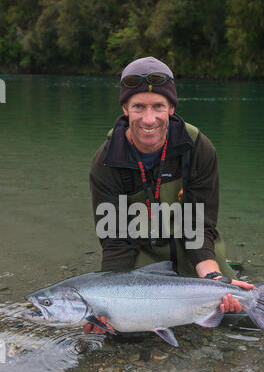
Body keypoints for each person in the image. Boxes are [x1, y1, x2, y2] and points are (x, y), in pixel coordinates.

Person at [84, 57, 253, 335]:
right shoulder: (105, 163)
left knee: (238, 316)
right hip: (144, 255)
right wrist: (106, 303)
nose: (148, 120)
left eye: (158, 107)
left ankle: (224, 274)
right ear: (125, 108)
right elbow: (115, 243)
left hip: (196, 249)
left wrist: (212, 277)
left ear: (171, 108)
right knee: (126, 331)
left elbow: (199, 227)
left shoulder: (198, 149)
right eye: (138, 107)